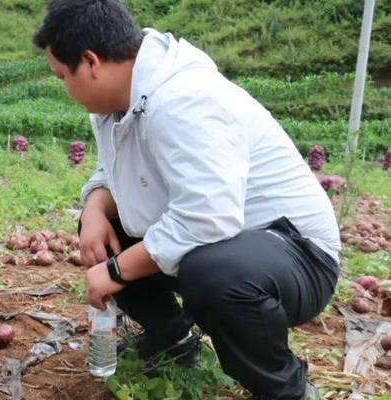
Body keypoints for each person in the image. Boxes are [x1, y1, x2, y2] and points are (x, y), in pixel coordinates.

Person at [33, 1, 340, 399]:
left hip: (295, 256)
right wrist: (93, 207)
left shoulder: (184, 100)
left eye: (61, 76)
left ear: (91, 62)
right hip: (220, 244)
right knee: (108, 228)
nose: (64, 88)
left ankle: (286, 389)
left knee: (213, 274)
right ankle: (173, 340)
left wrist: (115, 270)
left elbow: (208, 216)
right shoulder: (116, 103)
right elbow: (112, 172)